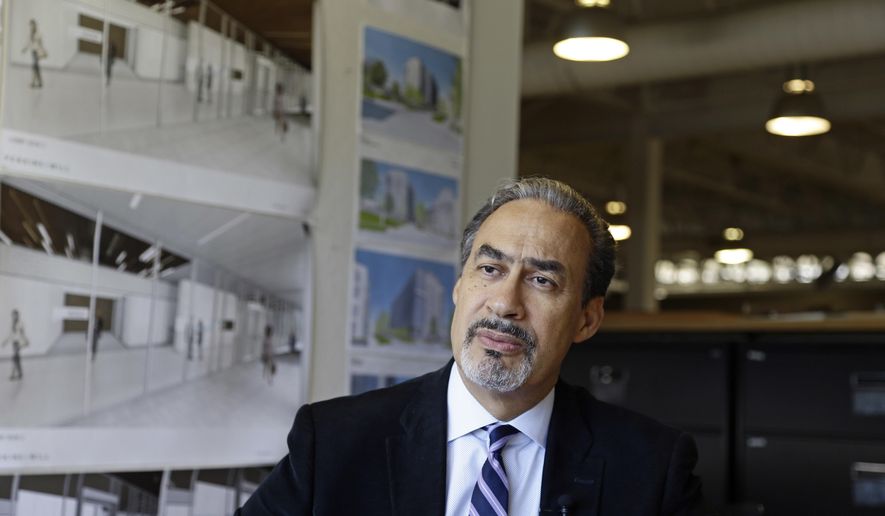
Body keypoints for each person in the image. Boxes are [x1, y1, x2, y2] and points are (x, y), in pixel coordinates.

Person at [238, 178, 704, 515]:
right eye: (489, 270)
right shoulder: (335, 441)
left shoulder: (651, 467)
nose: (504, 303)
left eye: (542, 280)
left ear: (587, 318)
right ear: (460, 287)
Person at [2, 310, 28, 381]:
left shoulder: (20, 323)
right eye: (13, 315)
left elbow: (22, 333)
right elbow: (11, 335)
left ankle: (13, 374)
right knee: (17, 359)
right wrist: (5, 341)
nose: (14, 316)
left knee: (14, 358)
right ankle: (20, 373)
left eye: (15, 315)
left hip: (18, 343)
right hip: (14, 343)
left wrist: (25, 341)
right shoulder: (12, 324)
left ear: (18, 315)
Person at [22, 19, 46, 89]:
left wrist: (42, 52)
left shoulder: (38, 33)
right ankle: (40, 82)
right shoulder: (30, 34)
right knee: (36, 68)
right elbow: (29, 43)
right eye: (30, 25)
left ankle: (33, 82)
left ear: (35, 25)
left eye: (32, 25)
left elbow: (41, 43)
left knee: (34, 67)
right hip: (33, 52)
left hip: (37, 52)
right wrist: (25, 49)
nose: (31, 27)